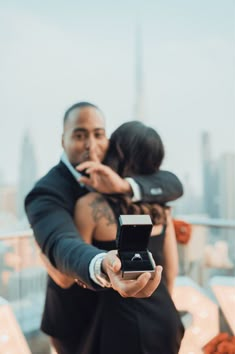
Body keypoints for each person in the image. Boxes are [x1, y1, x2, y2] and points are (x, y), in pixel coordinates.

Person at [25, 102, 183, 353]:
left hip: (117, 321)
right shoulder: (47, 191)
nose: (91, 144)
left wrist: (123, 186)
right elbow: (63, 244)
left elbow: (173, 183)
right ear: (62, 139)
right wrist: (102, 262)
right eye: (79, 135)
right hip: (76, 320)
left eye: (98, 134)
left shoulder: (121, 186)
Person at [71, 121, 184, 354]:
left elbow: (77, 270)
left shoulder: (89, 206)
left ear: (116, 155)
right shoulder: (161, 209)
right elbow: (171, 272)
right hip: (164, 317)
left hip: (119, 326)